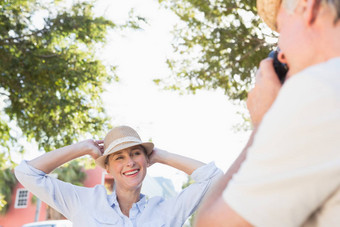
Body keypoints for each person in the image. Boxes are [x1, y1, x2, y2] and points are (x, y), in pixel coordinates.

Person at [194, 0, 340, 226]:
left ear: (306, 7)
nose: (280, 56)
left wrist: (262, 124)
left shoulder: (317, 89)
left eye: (281, 29)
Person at [15, 125, 222, 227]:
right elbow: (26, 173)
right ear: (108, 168)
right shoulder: (84, 202)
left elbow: (216, 179)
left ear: (146, 160)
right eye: (119, 157)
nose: (130, 162)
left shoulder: (167, 211)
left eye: (136, 153)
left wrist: (162, 156)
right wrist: (82, 148)